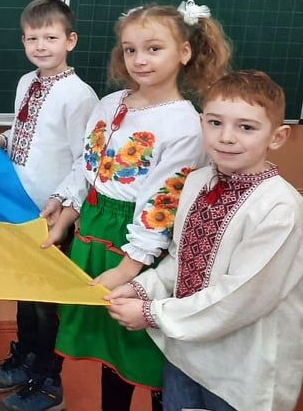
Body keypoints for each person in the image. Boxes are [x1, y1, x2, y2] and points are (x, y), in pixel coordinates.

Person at [43, 0, 231, 411]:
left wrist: (128, 268)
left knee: (144, 346)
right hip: (93, 230)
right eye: (130, 50)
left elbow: (161, 205)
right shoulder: (110, 103)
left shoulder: (184, 123)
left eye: (153, 49)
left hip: (134, 246)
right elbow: (87, 167)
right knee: (111, 349)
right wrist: (65, 214)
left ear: (184, 52)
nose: (139, 60)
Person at [107, 70, 303, 411]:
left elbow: (241, 298)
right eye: (215, 123)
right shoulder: (198, 181)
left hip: (240, 372)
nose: (226, 137)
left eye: (246, 127)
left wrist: (151, 313)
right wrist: (142, 288)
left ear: (277, 137)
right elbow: (180, 258)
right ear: (201, 123)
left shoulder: (279, 207)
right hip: (184, 355)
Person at [0, 0, 98, 411]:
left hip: (53, 213)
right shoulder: (26, 82)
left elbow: (86, 159)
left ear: (71, 40)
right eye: (32, 38)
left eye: (50, 38)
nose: (41, 46)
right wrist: (4, 140)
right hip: (21, 207)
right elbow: (27, 131)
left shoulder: (79, 95)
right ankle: (26, 360)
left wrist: (63, 202)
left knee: (47, 300)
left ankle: (49, 382)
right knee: (26, 290)